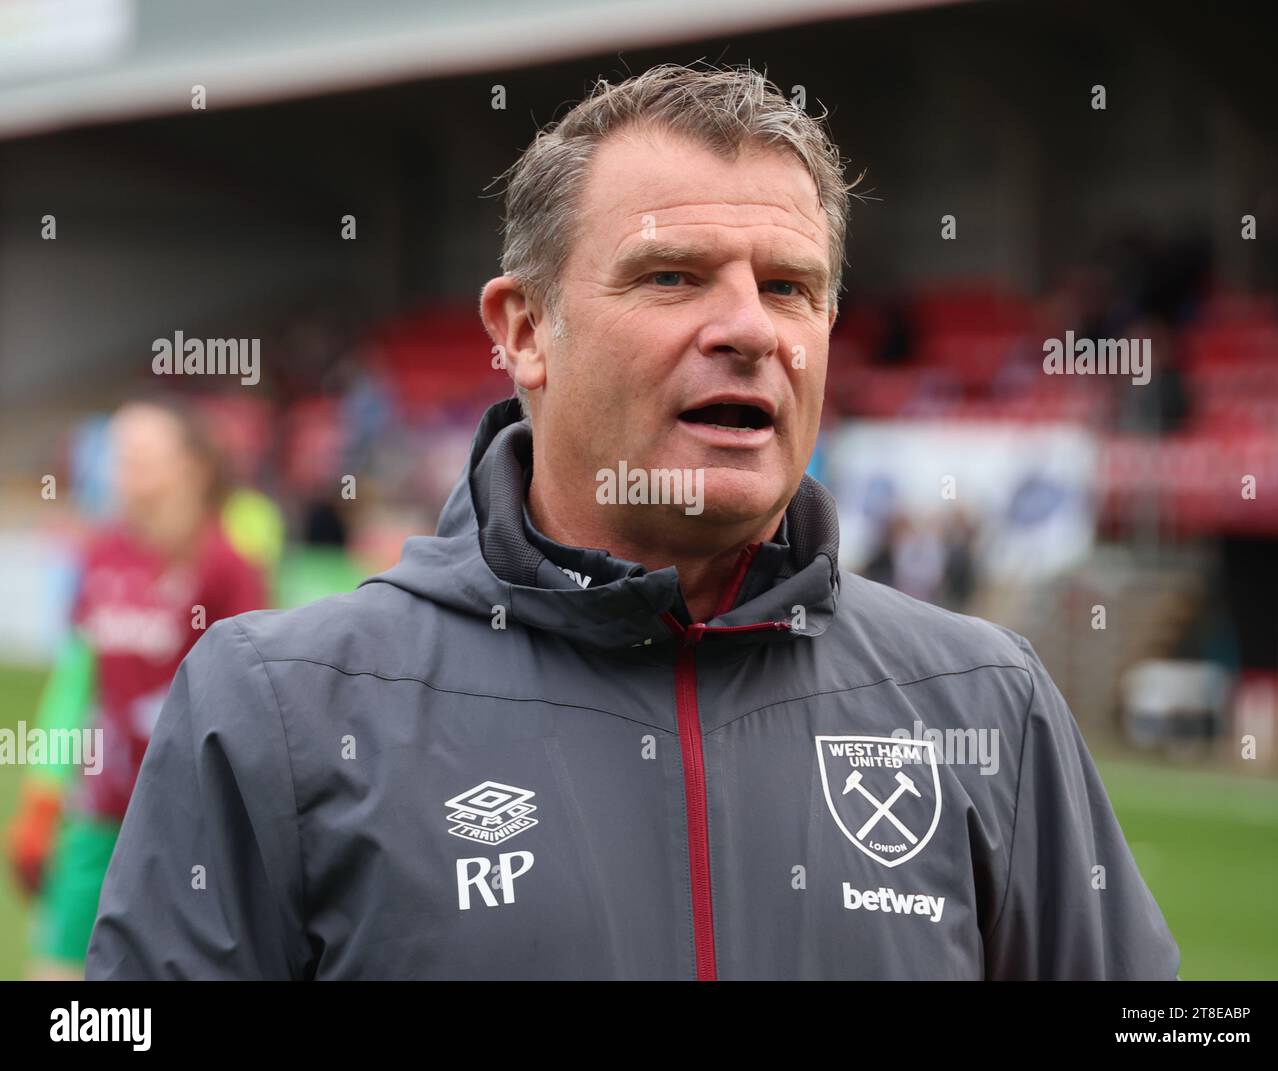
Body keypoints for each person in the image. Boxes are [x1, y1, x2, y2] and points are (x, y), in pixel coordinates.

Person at [85, 64, 1180, 980]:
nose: (750, 328)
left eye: (792, 289)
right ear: (524, 330)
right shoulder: (278, 707)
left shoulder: (982, 699)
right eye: (673, 276)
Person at [6, 397, 266, 979]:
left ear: (192, 467)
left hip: (190, 821)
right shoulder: (99, 554)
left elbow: (253, 697)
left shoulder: (229, 566)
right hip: (97, 816)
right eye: (118, 454)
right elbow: (78, 681)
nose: (122, 468)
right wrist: (44, 791)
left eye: (141, 455)